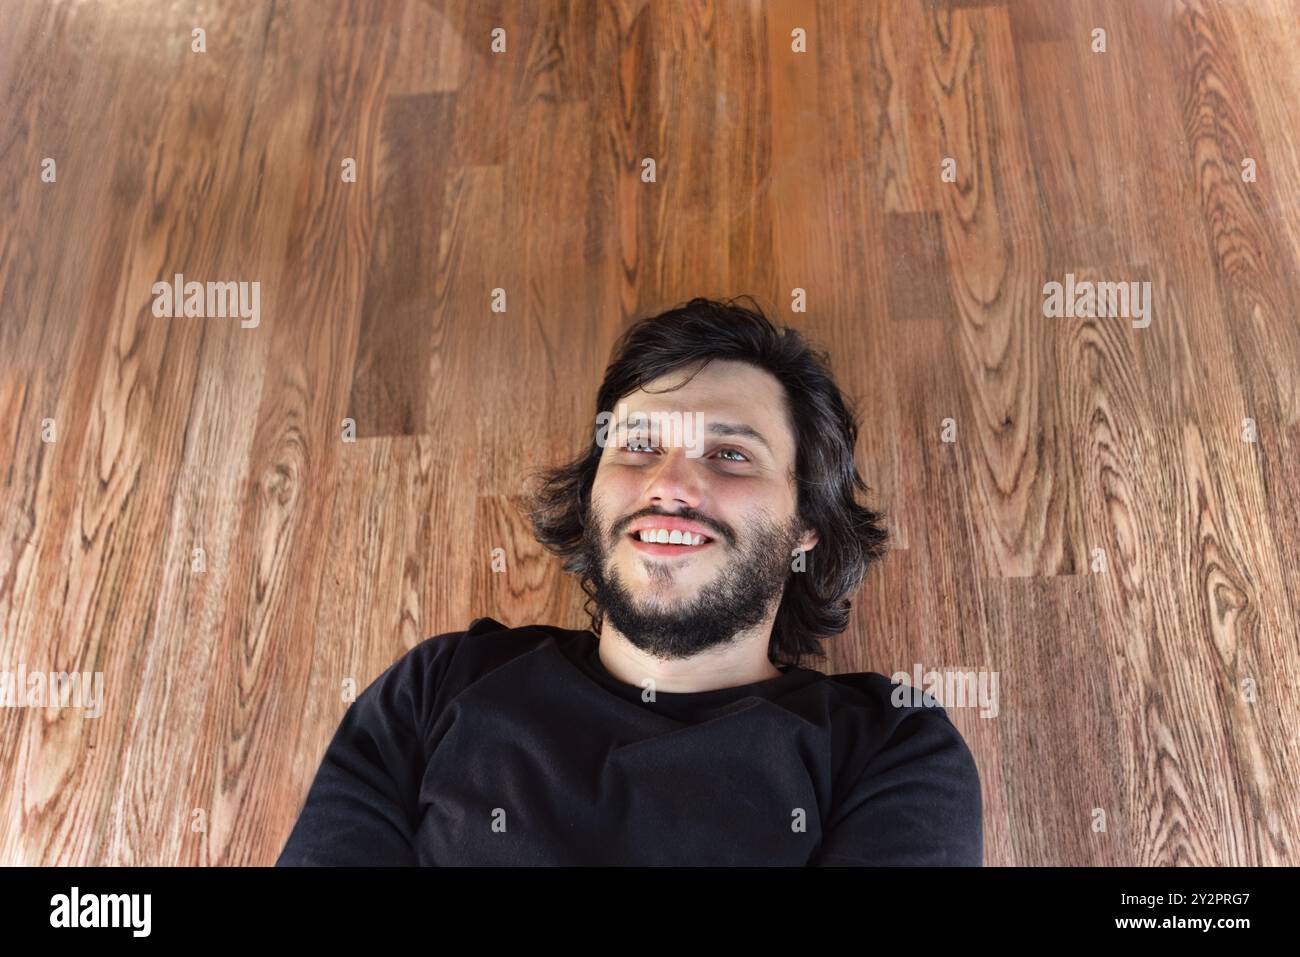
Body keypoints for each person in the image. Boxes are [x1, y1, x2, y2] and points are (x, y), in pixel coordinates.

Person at [276, 296, 982, 866]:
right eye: (639, 444)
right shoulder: (439, 685)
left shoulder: (890, 747)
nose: (669, 483)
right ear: (592, 492)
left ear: (807, 524)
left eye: (731, 453)